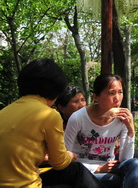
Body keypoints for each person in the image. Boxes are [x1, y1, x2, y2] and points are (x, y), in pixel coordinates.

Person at [0, 59, 104, 188]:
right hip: (26, 185)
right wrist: (69, 155)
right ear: (56, 92)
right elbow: (59, 162)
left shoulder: (4, 112)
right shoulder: (49, 114)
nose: (82, 105)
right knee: (75, 171)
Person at [64, 74, 138, 188]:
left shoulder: (121, 118)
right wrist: (97, 168)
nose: (117, 98)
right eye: (111, 93)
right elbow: (64, 157)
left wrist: (130, 130)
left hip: (110, 168)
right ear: (96, 97)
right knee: (118, 181)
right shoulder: (78, 118)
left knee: (136, 164)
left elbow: (125, 159)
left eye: (120, 92)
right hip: (83, 171)